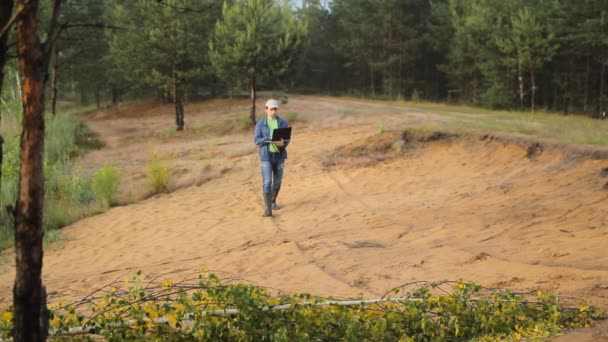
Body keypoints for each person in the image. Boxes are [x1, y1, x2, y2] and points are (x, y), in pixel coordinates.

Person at [254, 99, 290, 217]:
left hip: (279, 156)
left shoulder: (283, 123)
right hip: (266, 157)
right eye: (271, 109)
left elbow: (287, 139)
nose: (273, 111)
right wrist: (268, 139)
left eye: (275, 109)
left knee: (277, 182)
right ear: (266, 110)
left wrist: (283, 144)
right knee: (267, 181)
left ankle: (273, 200)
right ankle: (268, 209)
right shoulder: (260, 124)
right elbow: (257, 140)